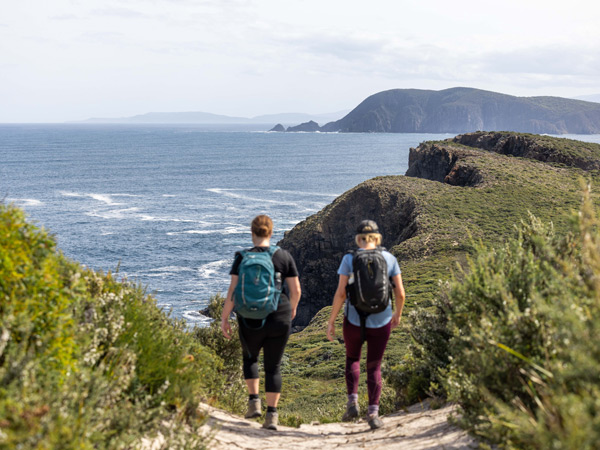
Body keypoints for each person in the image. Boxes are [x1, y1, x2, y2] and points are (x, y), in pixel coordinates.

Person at [221, 215, 301, 431]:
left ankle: (253, 401)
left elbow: (232, 291)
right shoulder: (283, 256)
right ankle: (272, 416)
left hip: (249, 317)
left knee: (250, 358)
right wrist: (292, 308)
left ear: (252, 233)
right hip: (279, 314)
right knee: (273, 366)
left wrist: (225, 317)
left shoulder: (241, 257)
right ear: (271, 232)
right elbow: (296, 290)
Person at [326, 219, 405, 430]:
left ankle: (352, 402)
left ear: (358, 238)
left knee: (352, 358)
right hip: (381, 320)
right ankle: (373, 414)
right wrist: (397, 314)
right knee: (374, 365)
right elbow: (400, 293)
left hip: (353, 320)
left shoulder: (349, 259)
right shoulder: (389, 258)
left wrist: (331, 320)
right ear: (377, 238)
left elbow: (341, 293)